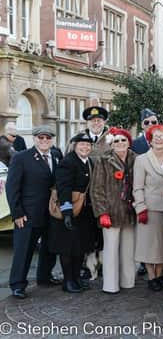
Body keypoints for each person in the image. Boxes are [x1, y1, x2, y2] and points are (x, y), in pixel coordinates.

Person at [6, 125, 62, 299]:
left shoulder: (56, 155)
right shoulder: (21, 158)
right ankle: (18, 284)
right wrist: (17, 213)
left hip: (51, 212)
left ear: (52, 139)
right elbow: (12, 187)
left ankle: (45, 277)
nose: (44, 141)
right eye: (41, 138)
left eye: (48, 138)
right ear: (34, 139)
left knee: (49, 247)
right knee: (24, 250)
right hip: (28, 213)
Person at [91, 127, 137, 294]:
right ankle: (110, 285)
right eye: (116, 140)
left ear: (128, 142)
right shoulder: (104, 160)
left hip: (130, 211)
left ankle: (128, 281)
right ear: (111, 143)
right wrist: (102, 212)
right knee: (110, 250)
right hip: (111, 211)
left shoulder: (136, 159)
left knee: (128, 250)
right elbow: (96, 188)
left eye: (123, 140)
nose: (120, 143)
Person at [48, 132, 94, 293]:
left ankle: (76, 278)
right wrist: (67, 212)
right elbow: (63, 188)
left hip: (84, 213)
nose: (85, 147)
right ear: (74, 146)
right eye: (81, 144)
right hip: (69, 212)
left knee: (79, 249)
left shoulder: (90, 162)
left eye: (88, 145)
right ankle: (68, 281)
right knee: (67, 248)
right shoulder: (68, 162)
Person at [132, 125, 163, 291]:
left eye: (161, 136)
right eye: (155, 136)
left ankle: (160, 273)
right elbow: (137, 187)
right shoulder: (142, 159)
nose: (158, 139)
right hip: (149, 209)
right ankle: (152, 277)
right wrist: (140, 207)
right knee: (149, 245)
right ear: (149, 140)